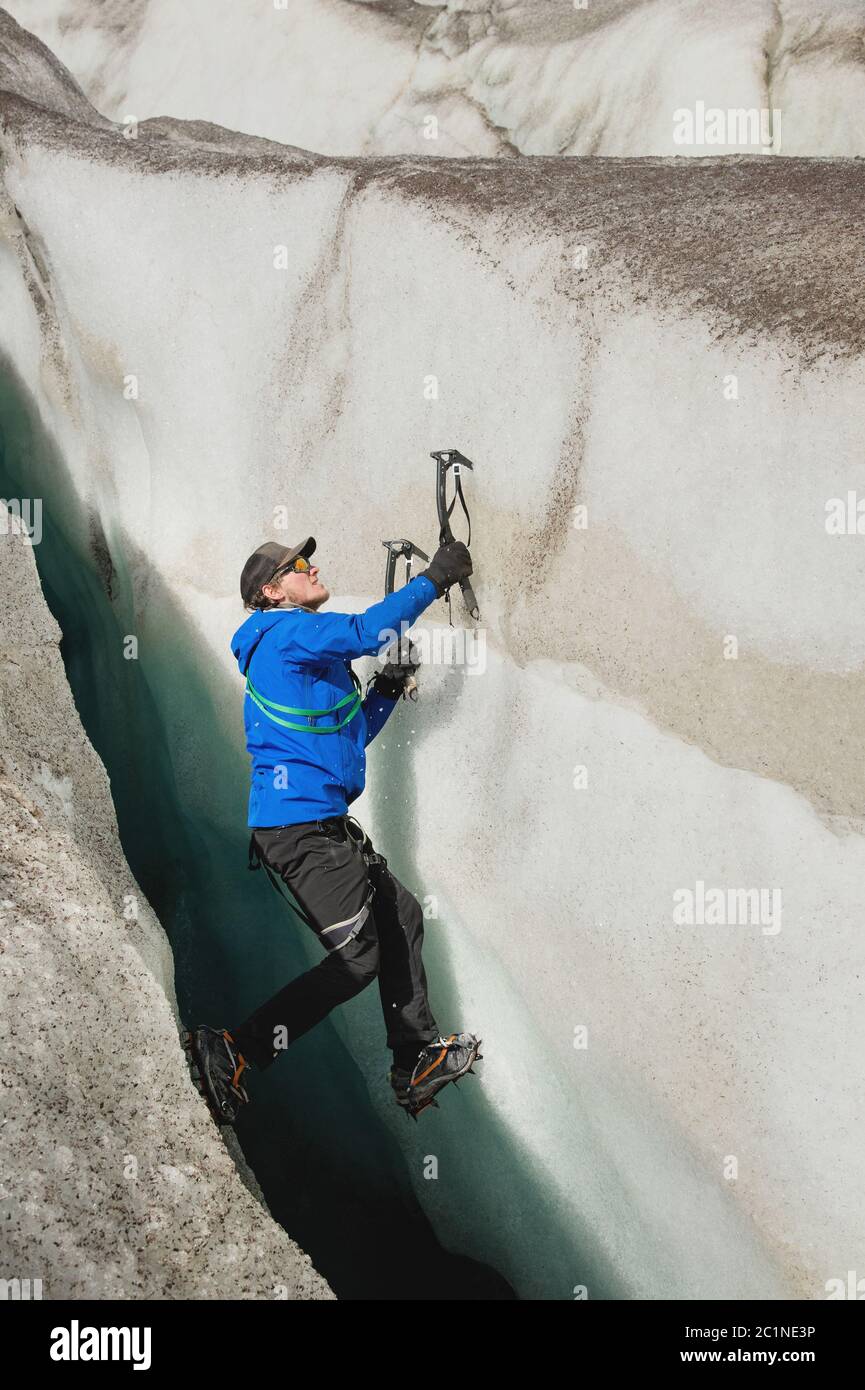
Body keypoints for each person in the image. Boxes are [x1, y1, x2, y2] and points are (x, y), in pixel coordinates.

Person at [183, 536, 482, 1123]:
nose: (311, 566)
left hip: (321, 825)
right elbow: (369, 630)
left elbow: (345, 745)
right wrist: (435, 579)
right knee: (356, 959)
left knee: (402, 915)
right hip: (298, 829)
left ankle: (415, 1057)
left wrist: (388, 691)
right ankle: (234, 1051)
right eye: (298, 566)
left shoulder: (310, 661)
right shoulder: (284, 633)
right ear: (271, 591)